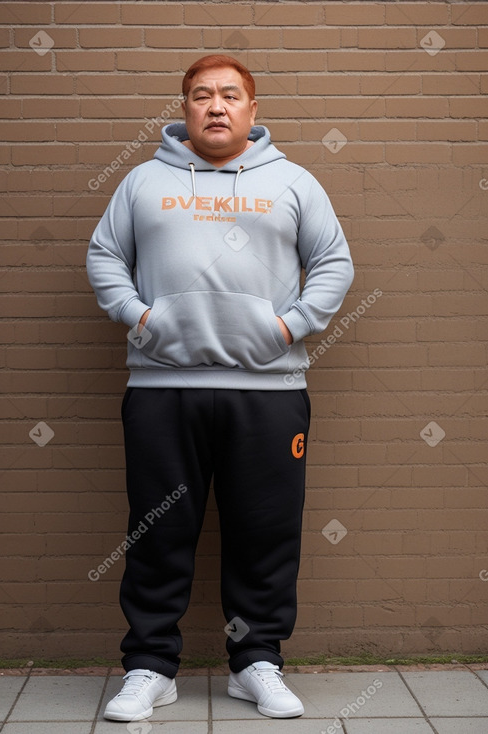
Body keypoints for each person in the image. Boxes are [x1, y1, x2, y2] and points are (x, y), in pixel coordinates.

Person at [86, 54, 354, 723]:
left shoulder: (292, 181)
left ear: (252, 110)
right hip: (161, 387)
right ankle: (149, 667)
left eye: (230, 95)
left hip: (268, 389)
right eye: (201, 95)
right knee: (157, 530)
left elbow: (333, 263)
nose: (215, 106)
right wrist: (141, 318)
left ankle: (254, 662)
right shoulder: (142, 182)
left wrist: (287, 327)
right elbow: (104, 258)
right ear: (183, 109)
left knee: (264, 530)